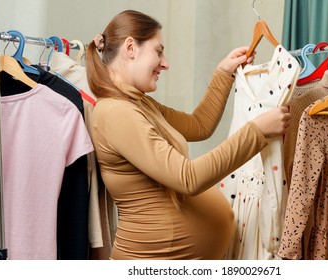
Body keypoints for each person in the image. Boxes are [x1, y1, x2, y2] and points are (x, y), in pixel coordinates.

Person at [85, 9, 291, 260]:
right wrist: (256, 131)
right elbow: (188, 178)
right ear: (131, 47)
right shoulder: (116, 113)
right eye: (158, 51)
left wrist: (223, 74)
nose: (165, 63)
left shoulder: (138, 104)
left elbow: (198, 125)